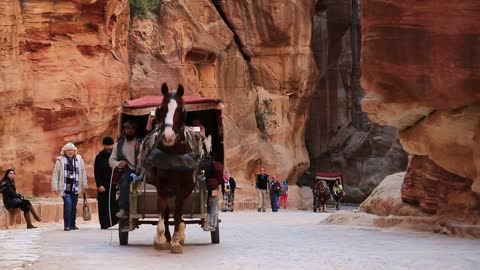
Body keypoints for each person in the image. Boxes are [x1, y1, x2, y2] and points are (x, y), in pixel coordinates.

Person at [51, 143, 88, 231]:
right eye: (68, 150)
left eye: (72, 150)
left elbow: (83, 172)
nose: (70, 152)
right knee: (68, 205)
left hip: (75, 187)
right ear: (65, 151)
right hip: (65, 188)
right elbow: (56, 174)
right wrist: (55, 187)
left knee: (73, 206)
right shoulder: (60, 160)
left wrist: (84, 185)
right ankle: (67, 225)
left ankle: (72, 224)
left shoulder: (79, 159)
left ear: (74, 151)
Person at [109, 120, 142, 219]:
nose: (130, 131)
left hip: (143, 172)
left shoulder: (141, 143)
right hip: (130, 173)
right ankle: (123, 209)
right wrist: (119, 163)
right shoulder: (118, 145)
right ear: (124, 129)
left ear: (135, 130)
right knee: (124, 181)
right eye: (127, 128)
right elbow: (111, 160)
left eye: (132, 129)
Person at [94, 136, 118, 229]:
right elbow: (96, 172)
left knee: (114, 203)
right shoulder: (99, 157)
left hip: (114, 184)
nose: (108, 147)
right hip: (103, 185)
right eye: (106, 145)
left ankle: (114, 222)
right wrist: (99, 185)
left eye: (110, 145)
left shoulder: (116, 156)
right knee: (103, 204)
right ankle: (104, 224)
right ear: (104, 145)